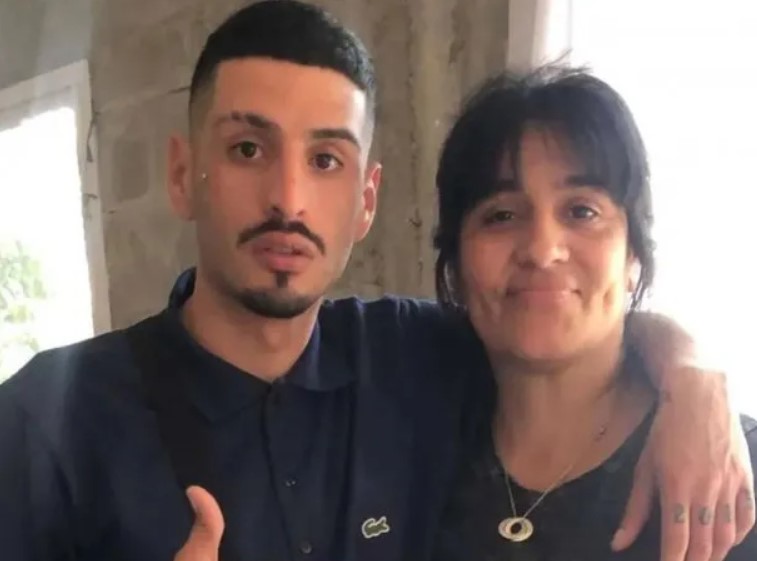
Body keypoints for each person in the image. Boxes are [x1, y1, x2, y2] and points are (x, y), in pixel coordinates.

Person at [0, 2, 751, 560]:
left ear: (366, 200)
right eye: (247, 149)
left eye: (326, 160)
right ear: (180, 173)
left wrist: (692, 378)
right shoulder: (46, 423)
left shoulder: (409, 357)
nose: (288, 199)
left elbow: (561, 321)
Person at [431, 66, 757, 561]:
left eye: (581, 211)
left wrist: (692, 373)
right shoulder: (409, 437)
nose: (543, 250)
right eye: (501, 215)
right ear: (455, 263)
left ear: (634, 255)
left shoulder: (727, 472)